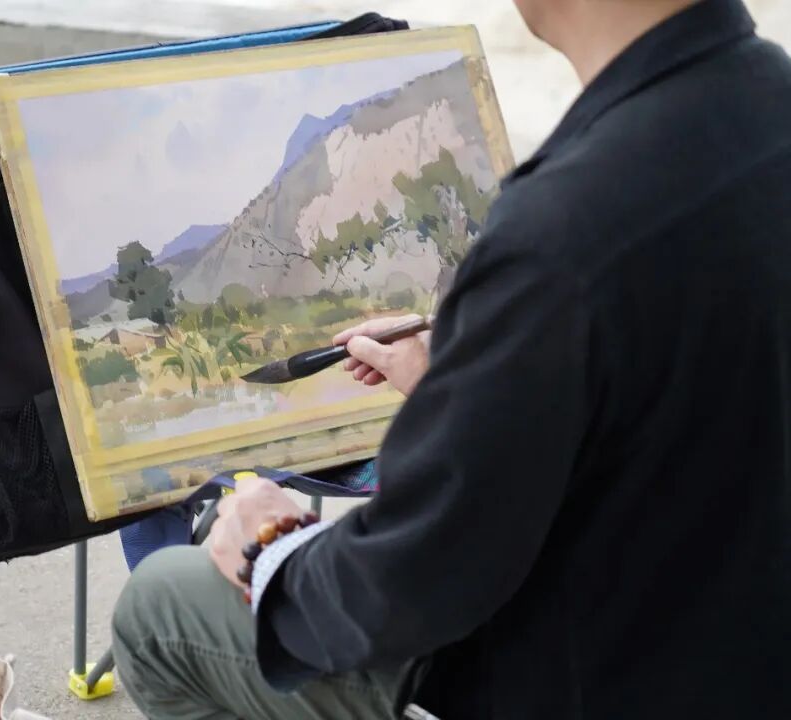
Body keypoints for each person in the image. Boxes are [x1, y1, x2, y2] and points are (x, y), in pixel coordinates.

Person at [111, 0, 791, 717]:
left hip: (593, 671)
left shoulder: (566, 226)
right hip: (731, 634)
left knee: (160, 608)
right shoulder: (768, 101)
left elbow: (413, 581)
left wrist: (274, 547)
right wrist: (480, 377)